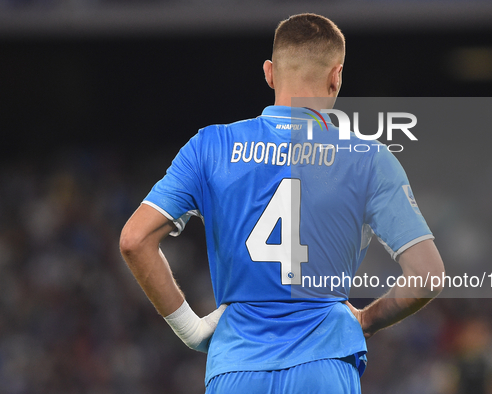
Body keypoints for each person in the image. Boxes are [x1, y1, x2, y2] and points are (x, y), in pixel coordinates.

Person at [120, 13, 444, 393]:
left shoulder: (209, 147)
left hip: (236, 367)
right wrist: (366, 320)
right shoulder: (368, 158)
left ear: (270, 73)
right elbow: (428, 274)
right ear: (336, 76)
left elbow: (134, 240)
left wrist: (191, 330)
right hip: (324, 365)